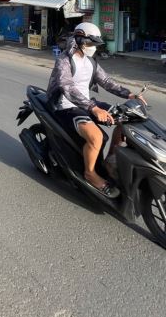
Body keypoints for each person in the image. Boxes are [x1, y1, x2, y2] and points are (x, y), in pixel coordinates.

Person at [47, 22, 146, 199]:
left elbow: (106, 81)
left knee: (126, 120)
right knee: (96, 136)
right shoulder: (64, 60)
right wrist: (94, 109)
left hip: (86, 103)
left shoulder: (90, 61)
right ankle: (90, 174)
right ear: (78, 39)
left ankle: (110, 161)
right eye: (89, 43)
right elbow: (67, 88)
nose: (92, 47)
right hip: (66, 106)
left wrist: (130, 95)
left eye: (94, 44)